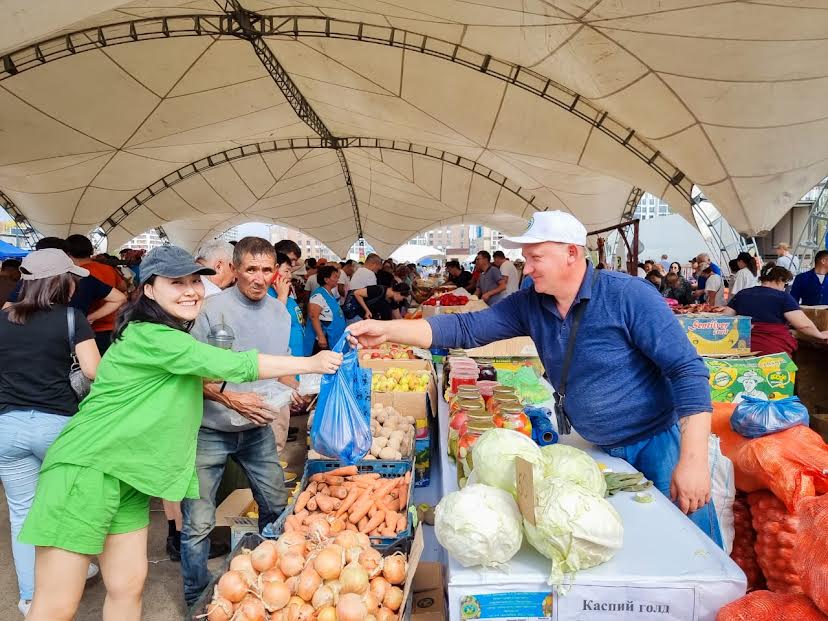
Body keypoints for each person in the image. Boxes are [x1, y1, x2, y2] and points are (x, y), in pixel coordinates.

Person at [349, 210, 722, 547]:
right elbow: (465, 328)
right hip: (600, 449)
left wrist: (693, 462)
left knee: (692, 546)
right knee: (627, 543)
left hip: (657, 444)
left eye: (535, 257)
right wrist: (387, 331)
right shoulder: (532, 303)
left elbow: (687, 371)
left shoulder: (628, 296)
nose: (526, 269)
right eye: (526, 258)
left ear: (571, 254)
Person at [18, 245, 342, 621]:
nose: (191, 290)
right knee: (55, 605)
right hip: (87, 470)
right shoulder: (151, 335)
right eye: (177, 283)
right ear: (150, 290)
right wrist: (312, 362)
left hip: (128, 478)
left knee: (128, 587)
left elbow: (208, 373)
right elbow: (234, 363)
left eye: (195, 281)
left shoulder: (170, 334)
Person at [182, 237, 311, 604]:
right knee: (198, 523)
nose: (258, 278)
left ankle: (272, 585)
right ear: (235, 269)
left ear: (277, 273)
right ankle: (195, 597)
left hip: (257, 429)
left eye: (266, 270)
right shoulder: (208, 310)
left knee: (276, 506)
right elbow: (190, 373)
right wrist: (230, 398)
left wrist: (296, 386)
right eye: (250, 269)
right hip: (211, 430)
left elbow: (280, 363)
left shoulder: (280, 314)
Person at [0, 250, 102, 617]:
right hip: (57, 427)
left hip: (7, 427)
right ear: (60, 282)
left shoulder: (2, 318)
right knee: (70, 508)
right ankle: (75, 574)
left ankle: (30, 598)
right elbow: (94, 372)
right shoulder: (72, 319)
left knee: (23, 515)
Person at [4, 238, 127, 321]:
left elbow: (7, 309)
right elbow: (120, 296)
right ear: (66, 254)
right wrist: (89, 318)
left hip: (35, 338)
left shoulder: (30, 279)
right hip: (76, 334)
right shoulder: (84, 277)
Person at [721, 265, 828, 356]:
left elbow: (726, 319)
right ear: (779, 279)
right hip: (772, 351)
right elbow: (803, 325)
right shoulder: (783, 297)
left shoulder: (742, 294)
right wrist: (820, 335)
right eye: (785, 284)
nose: (784, 288)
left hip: (741, 349)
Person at [64, 234, 127, 354]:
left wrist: (90, 318)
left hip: (91, 331)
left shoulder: (79, 275)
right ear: (91, 250)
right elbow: (123, 287)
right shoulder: (108, 268)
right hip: (114, 326)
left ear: (67, 253)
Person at [270, 251, 309, 357]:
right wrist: (281, 297)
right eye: (286, 271)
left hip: (297, 355)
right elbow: (271, 325)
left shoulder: (287, 294)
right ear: (274, 271)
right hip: (284, 361)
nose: (290, 276)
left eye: (290, 271)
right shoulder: (267, 296)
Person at [307, 264, 346, 351]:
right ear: (326, 280)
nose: (337, 279)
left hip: (334, 335)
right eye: (335, 277)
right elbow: (313, 316)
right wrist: (321, 336)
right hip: (326, 337)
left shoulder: (329, 293)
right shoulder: (318, 295)